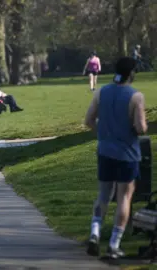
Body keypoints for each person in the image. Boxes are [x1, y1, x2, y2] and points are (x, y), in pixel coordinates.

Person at [84, 57, 147, 259]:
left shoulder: (102, 92)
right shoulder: (135, 97)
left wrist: (104, 131)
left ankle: (94, 232)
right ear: (132, 74)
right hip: (127, 153)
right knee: (124, 198)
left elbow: (88, 120)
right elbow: (140, 127)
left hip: (105, 150)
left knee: (103, 195)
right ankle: (114, 243)